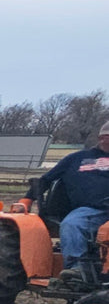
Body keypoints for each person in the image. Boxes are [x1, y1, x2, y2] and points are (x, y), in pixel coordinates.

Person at [37, 119, 109, 288]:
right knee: (72, 223)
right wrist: (27, 199)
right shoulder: (77, 158)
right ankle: (77, 270)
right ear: (102, 138)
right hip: (91, 210)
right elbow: (46, 179)